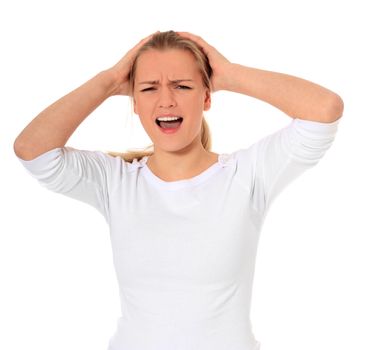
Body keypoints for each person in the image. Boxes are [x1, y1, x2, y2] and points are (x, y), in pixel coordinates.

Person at [14, 30, 343, 350]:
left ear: (207, 96)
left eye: (183, 86)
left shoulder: (248, 174)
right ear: (134, 103)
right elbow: (32, 149)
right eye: (149, 89)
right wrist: (109, 81)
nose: (166, 101)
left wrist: (229, 74)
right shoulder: (114, 181)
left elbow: (325, 110)